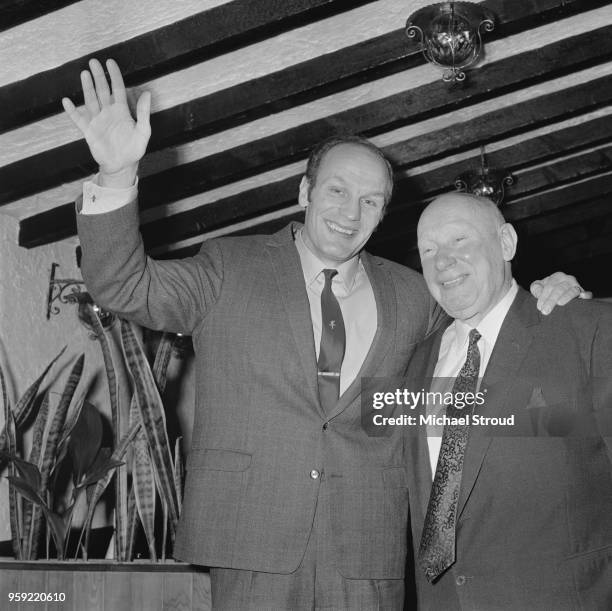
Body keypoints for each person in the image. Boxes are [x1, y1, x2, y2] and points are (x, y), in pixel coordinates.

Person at [63, 58, 586, 609]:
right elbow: (123, 284)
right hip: (252, 542)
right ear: (303, 192)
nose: (350, 211)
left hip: (368, 550)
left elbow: (488, 330)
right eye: (337, 191)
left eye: (370, 201)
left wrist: (553, 298)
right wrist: (116, 175)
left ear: (383, 214)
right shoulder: (228, 266)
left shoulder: (414, 293)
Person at [404, 192, 612, 610]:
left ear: (506, 244)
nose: (443, 260)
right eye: (429, 249)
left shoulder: (586, 329)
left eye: (460, 240)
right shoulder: (415, 362)